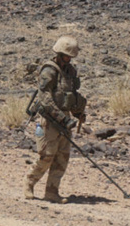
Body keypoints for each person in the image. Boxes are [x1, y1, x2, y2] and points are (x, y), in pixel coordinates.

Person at [24, 35, 87, 204]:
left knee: (62, 157)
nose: (69, 59)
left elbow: (70, 96)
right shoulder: (48, 71)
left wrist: (78, 112)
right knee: (46, 155)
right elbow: (45, 99)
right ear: (59, 54)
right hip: (49, 119)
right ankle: (30, 182)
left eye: (71, 57)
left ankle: (52, 191)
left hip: (65, 118)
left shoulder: (70, 72)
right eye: (67, 56)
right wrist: (61, 118)